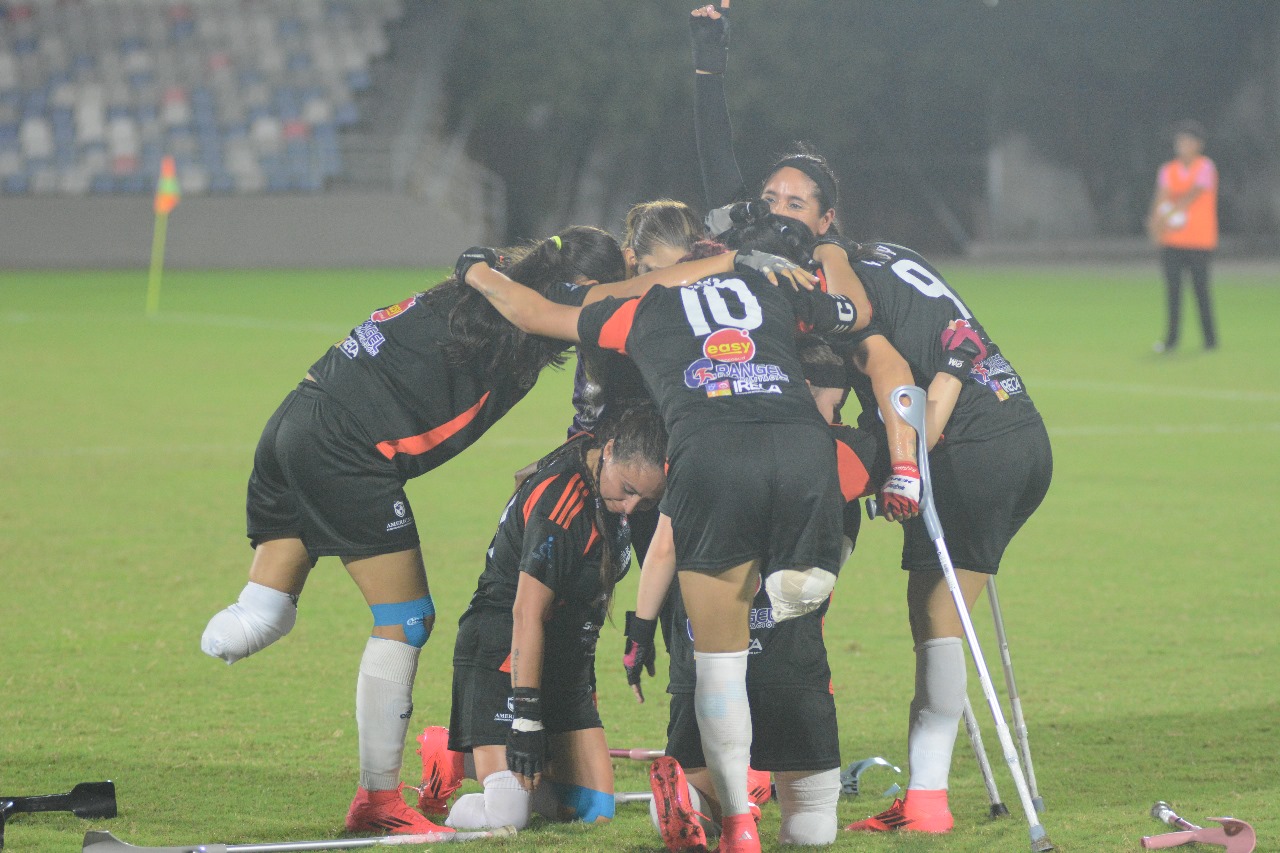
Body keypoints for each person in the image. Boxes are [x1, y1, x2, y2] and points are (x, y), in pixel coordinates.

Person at [197, 226, 737, 835]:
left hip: (296, 421)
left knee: (263, 614)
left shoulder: (482, 289)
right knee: (408, 621)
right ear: (578, 286)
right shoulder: (523, 309)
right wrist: (731, 263)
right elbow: (640, 290)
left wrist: (479, 269)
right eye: (598, 295)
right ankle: (378, 801)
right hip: (347, 449)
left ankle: (246, 642)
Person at [690, 4, 1053, 834]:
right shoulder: (895, 254)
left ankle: (927, 798)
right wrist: (707, 50)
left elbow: (890, 366)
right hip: (1017, 428)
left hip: (970, 441)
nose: (777, 206)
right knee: (936, 599)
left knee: (933, 613)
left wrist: (904, 459)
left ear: (826, 222)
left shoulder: (829, 273)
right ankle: (922, 792)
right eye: (770, 193)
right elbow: (950, 348)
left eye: (796, 199)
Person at [459, 240, 860, 853]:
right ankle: (811, 566)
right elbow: (848, 318)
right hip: (805, 451)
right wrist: (830, 262)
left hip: (712, 457)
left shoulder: (643, 306)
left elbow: (534, 312)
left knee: (717, 662)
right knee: (790, 621)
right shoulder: (768, 286)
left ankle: (738, 826)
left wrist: (477, 270)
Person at [626, 336, 889, 851]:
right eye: (834, 405)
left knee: (708, 753)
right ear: (806, 388)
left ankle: (708, 807)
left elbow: (662, 547)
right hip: (790, 655)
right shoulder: (836, 448)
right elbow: (887, 441)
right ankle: (747, 796)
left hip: (698, 645)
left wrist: (638, 632)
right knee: (813, 828)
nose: (835, 416)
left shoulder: (701, 439)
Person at [411, 404, 668, 832]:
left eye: (645, 501)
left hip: (564, 662)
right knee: (507, 814)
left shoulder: (599, 472)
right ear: (608, 452)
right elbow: (526, 614)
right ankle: (450, 764)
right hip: (505, 650)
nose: (630, 508)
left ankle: (477, 758)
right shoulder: (563, 504)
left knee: (592, 809)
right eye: (626, 490)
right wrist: (526, 717)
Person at [1146, 119, 1219, 352]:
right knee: (1173, 292)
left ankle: (1210, 339)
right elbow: (1161, 197)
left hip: (1199, 240)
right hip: (1173, 240)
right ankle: (1171, 339)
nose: (1183, 145)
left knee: (1200, 290)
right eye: (1180, 141)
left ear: (1198, 145)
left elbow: (1194, 194)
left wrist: (1171, 213)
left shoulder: (1205, 167)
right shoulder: (1168, 170)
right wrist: (1155, 224)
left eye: (1188, 141)